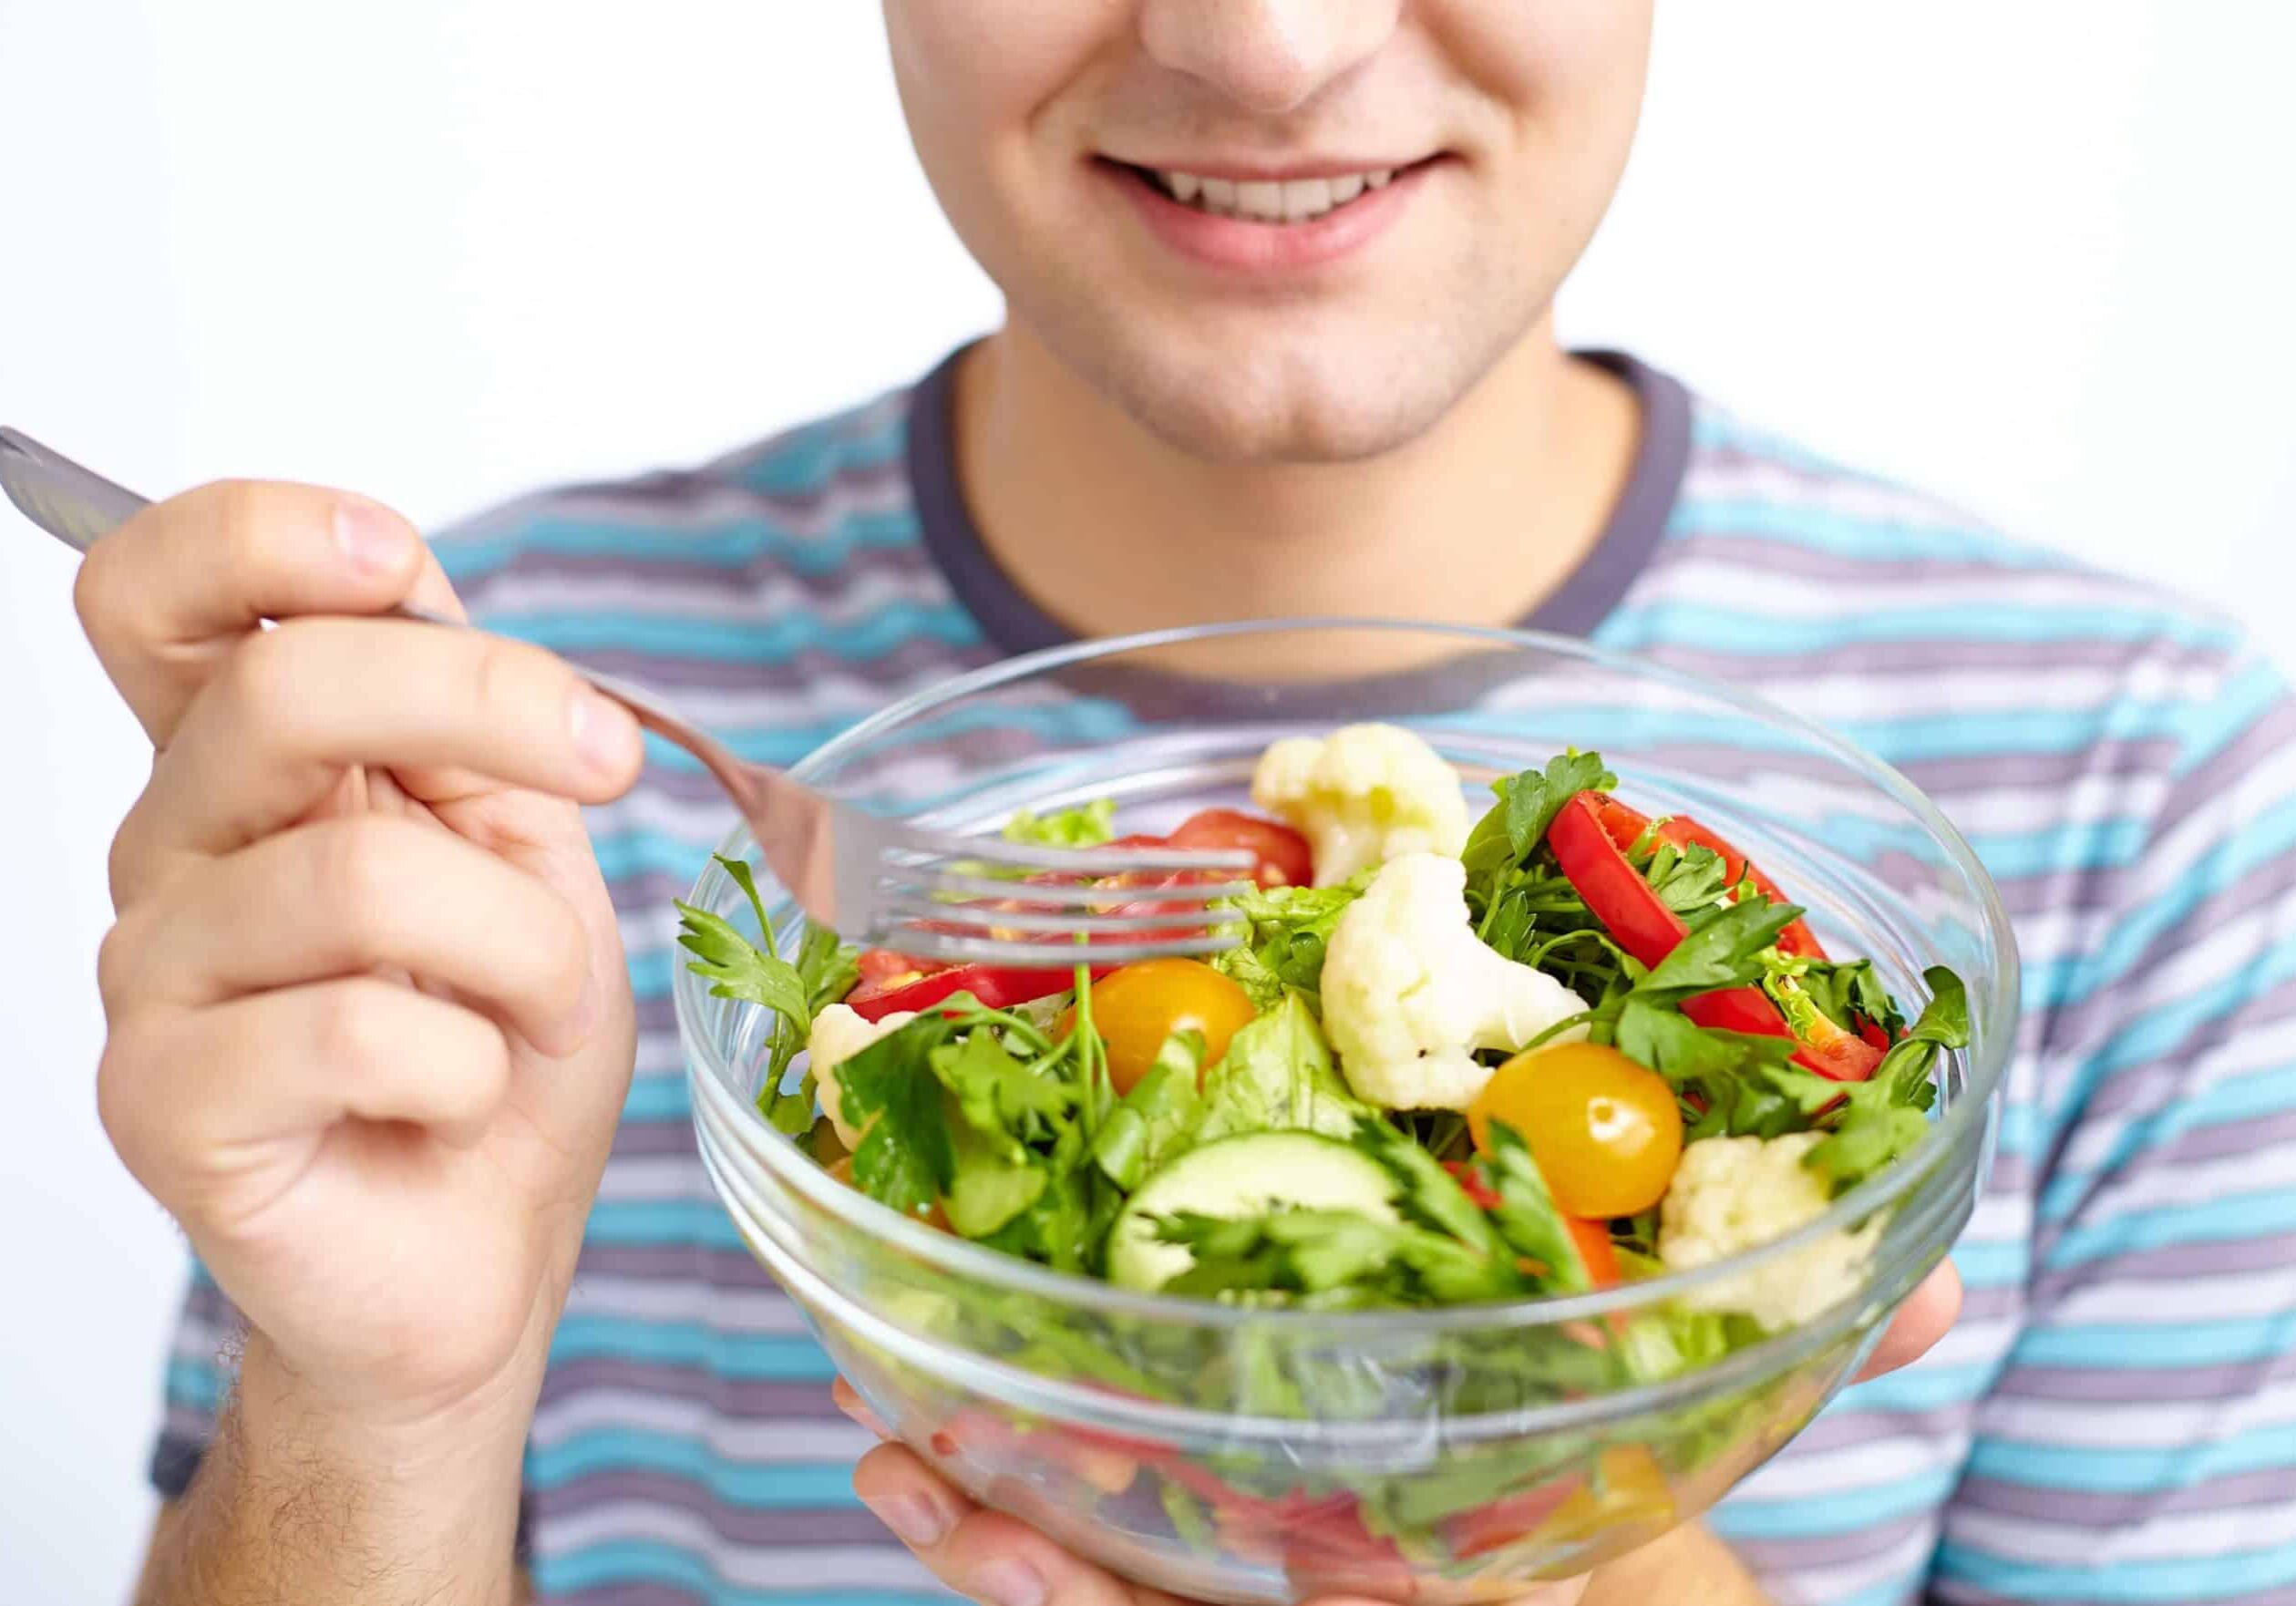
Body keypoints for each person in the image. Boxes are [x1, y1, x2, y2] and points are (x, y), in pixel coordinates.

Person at [81, 5, 2295, 1605]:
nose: (1270, 42)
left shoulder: (2160, 815)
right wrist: (376, 1414)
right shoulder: (519, 722)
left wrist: (1586, 1555)